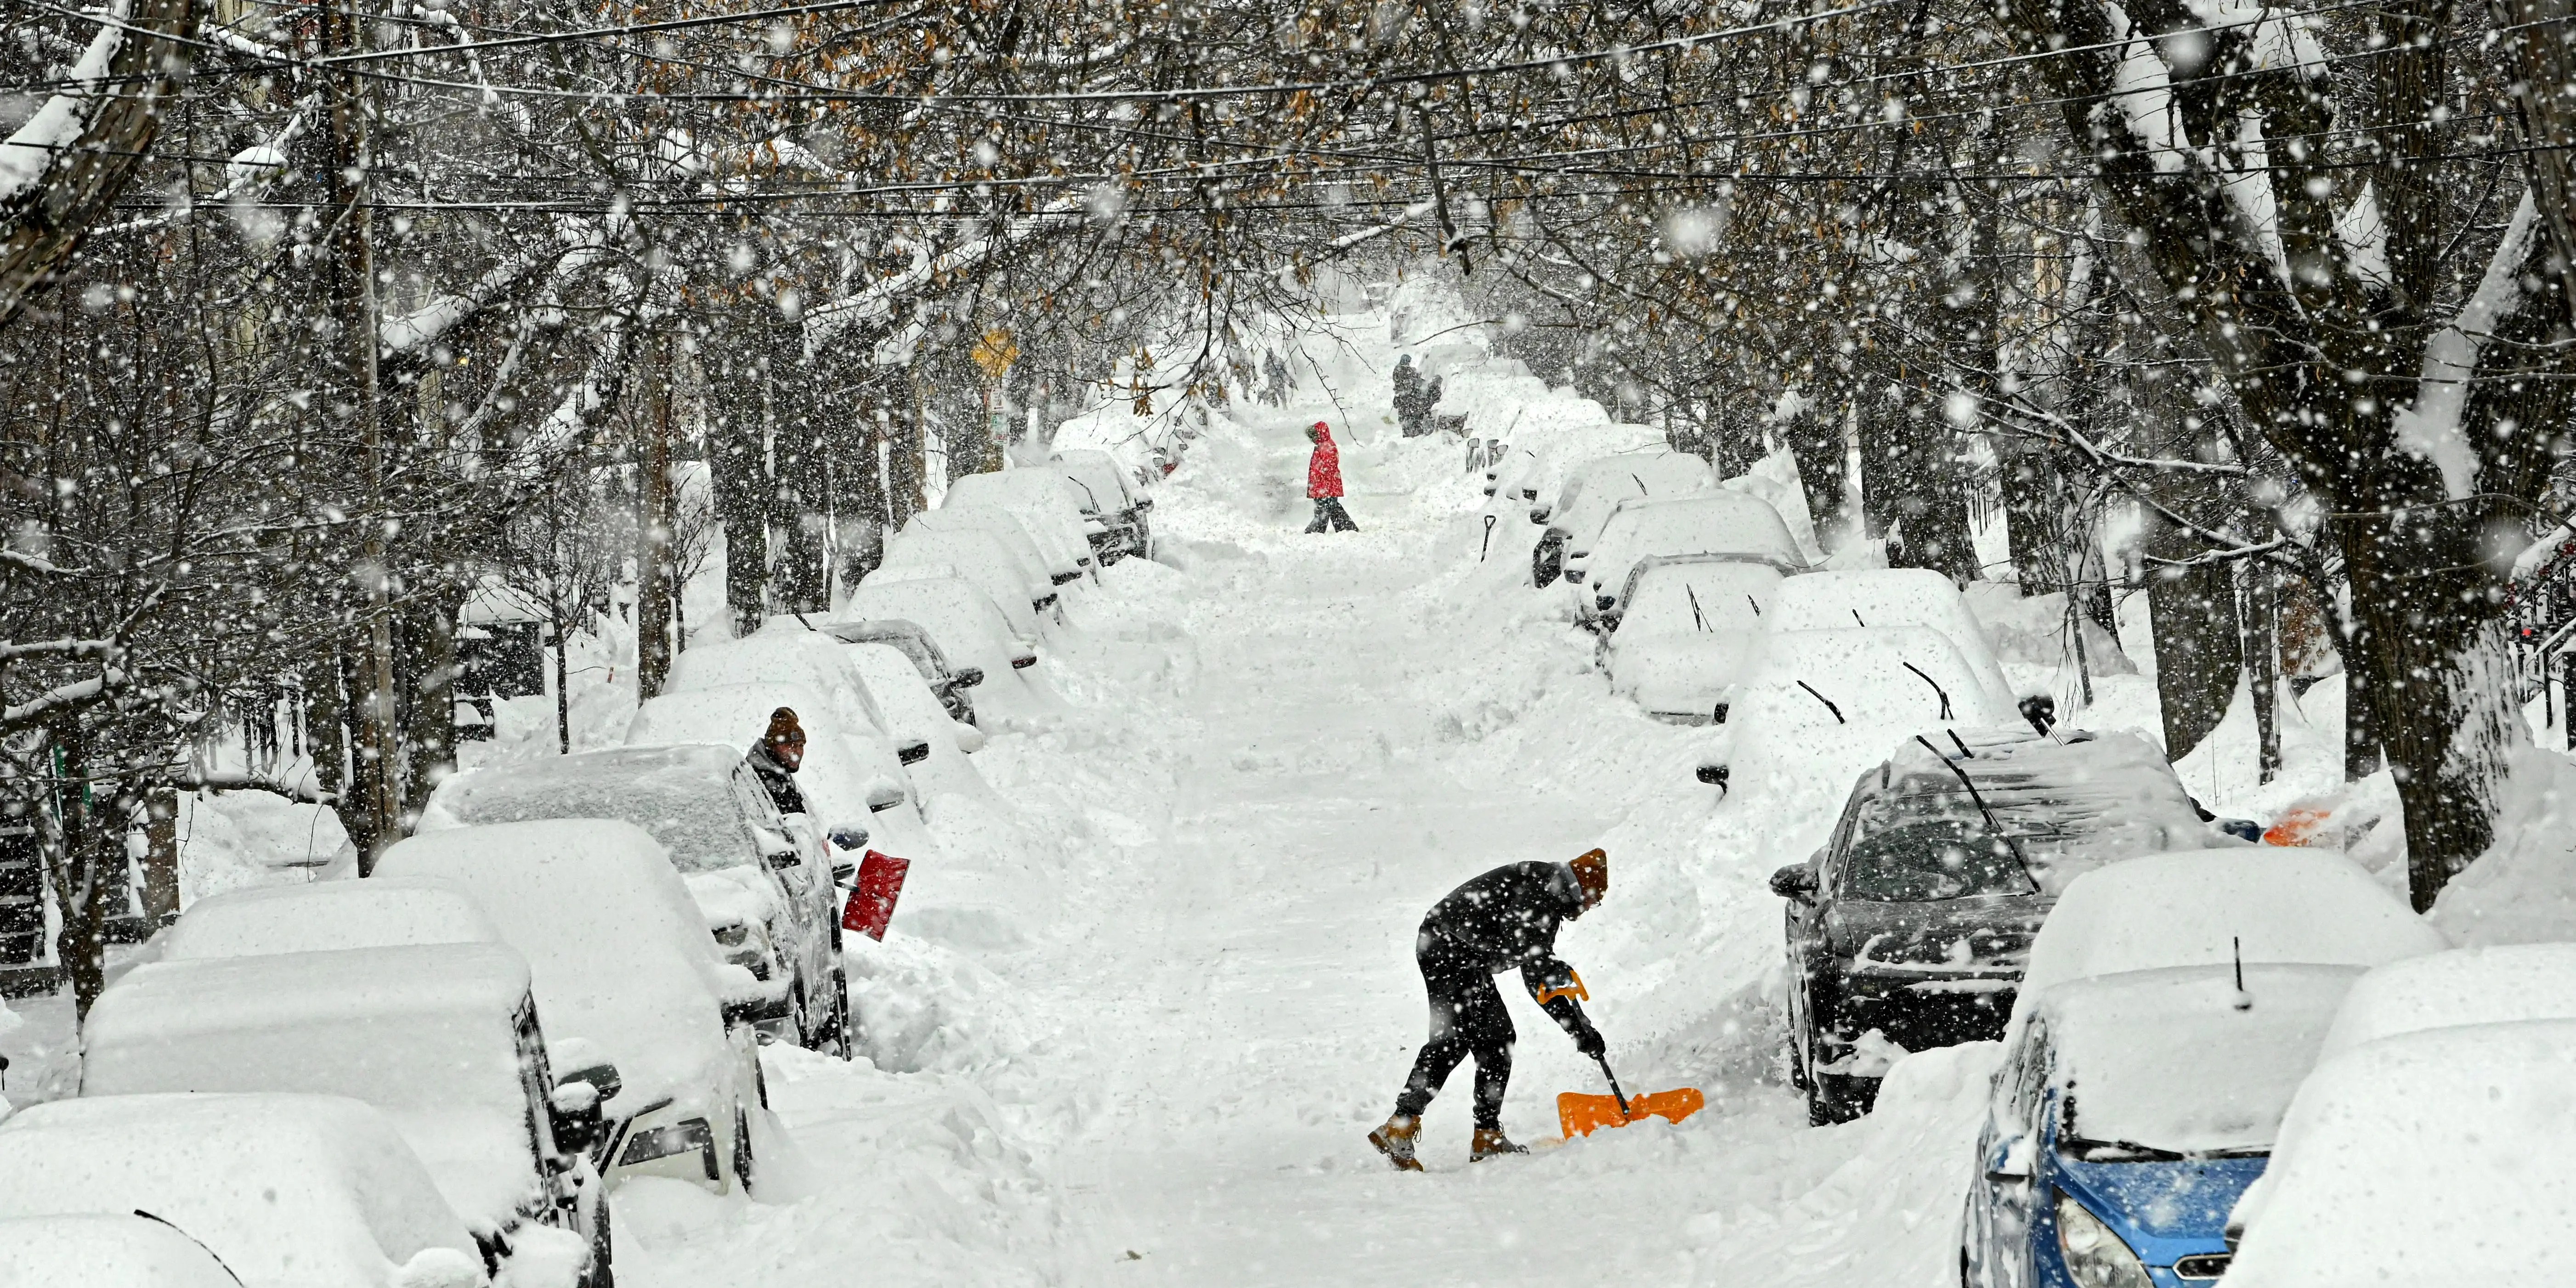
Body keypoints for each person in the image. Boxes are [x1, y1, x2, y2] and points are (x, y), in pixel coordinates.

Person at [1368, 849, 1610, 1169]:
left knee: (1496, 1039)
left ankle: (1487, 1136)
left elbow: (1535, 972)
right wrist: (1577, 1027)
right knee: (1453, 1040)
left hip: (1461, 953)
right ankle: (1399, 1125)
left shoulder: (1547, 893)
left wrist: (1579, 1029)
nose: (1592, 907)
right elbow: (1532, 963)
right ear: (1583, 889)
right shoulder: (1540, 894)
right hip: (1447, 947)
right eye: (1595, 899)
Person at [746, 705, 809, 815]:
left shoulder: (782, 776)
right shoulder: (756, 780)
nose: (797, 752)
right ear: (772, 746)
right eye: (789, 745)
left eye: (800, 746)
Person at [1305, 421, 1358, 533]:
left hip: (1326, 485)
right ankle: (1346, 528)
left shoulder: (1328, 446)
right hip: (1324, 485)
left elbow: (1329, 465)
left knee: (1326, 509)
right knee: (1331, 508)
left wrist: (1318, 473)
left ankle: (1316, 531)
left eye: (1315, 436)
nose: (1313, 440)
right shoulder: (1323, 446)